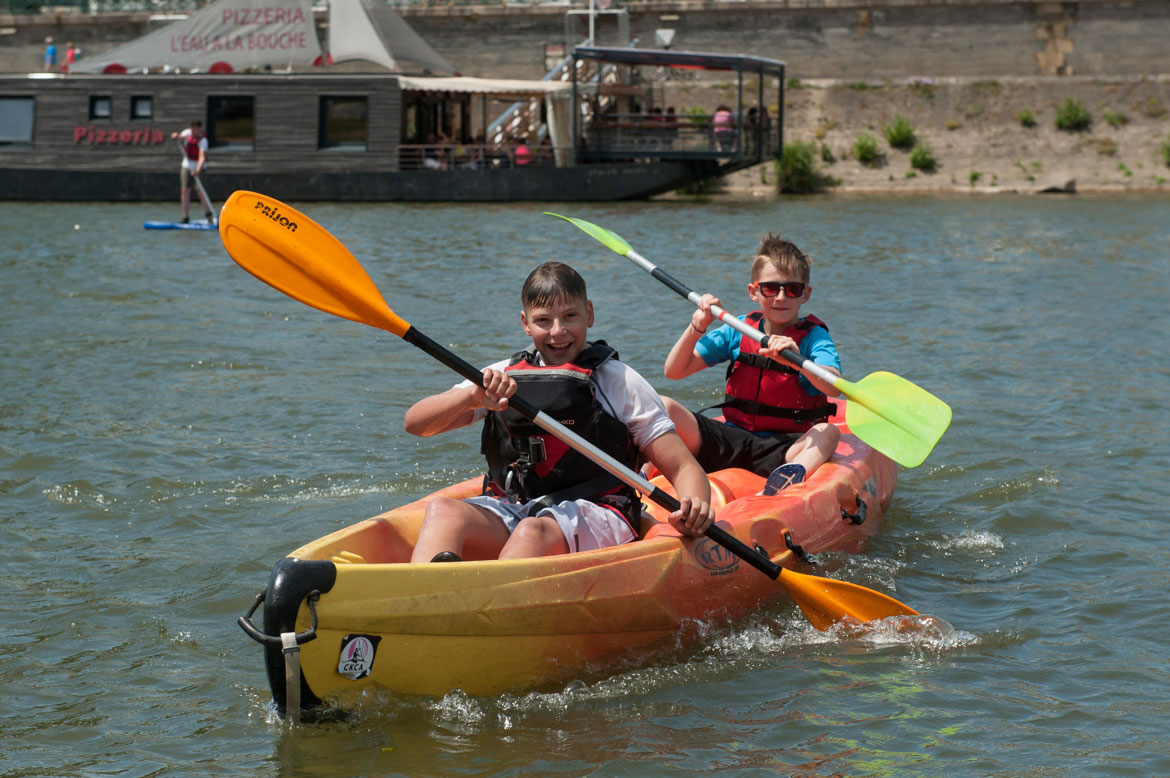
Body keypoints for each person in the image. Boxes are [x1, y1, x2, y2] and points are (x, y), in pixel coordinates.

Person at [404, 261, 716, 563]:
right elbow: (416, 425)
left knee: (531, 532)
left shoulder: (620, 382)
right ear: (525, 323)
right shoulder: (501, 377)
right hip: (523, 507)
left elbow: (682, 467)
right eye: (543, 321)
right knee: (443, 511)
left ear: (589, 314)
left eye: (569, 316)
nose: (558, 332)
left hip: (601, 511)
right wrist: (470, 398)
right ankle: (423, 596)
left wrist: (695, 507)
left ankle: (489, 601)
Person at [661, 234, 842, 496]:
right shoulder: (738, 329)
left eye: (792, 289)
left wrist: (799, 362)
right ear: (753, 292)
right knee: (664, 407)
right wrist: (697, 326)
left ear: (806, 294)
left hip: (785, 447)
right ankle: (650, 471)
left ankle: (786, 482)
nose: (781, 297)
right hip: (732, 437)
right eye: (770, 288)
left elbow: (834, 385)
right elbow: (674, 371)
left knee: (828, 432)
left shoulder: (814, 336)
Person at [169, 120, 212, 224]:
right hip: (186, 166)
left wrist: (197, 170)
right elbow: (179, 137)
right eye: (191, 128)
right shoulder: (187, 133)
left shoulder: (203, 140)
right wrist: (175, 136)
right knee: (185, 190)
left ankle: (209, 214)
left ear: (199, 128)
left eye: (195, 128)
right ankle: (185, 216)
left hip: (199, 167)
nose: (192, 130)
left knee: (201, 191)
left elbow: (202, 157)